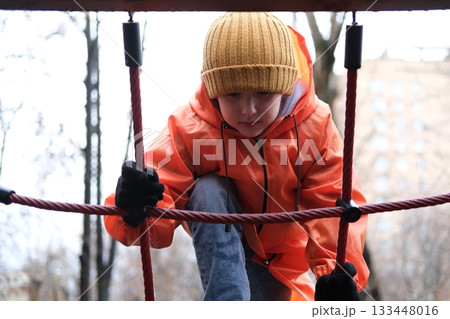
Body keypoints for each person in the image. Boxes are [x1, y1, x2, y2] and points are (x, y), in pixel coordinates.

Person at [104, 12, 369, 301]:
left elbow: (332, 200)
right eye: (232, 95)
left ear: (285, 86)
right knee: (208, 189)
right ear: (214, 91)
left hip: (283, 273)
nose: (248, 110)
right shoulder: (192, 127)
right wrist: (133, 206)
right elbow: (158, 185)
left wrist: (335, 273)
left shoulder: (313, 126)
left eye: (263, 93)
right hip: (224, 257)